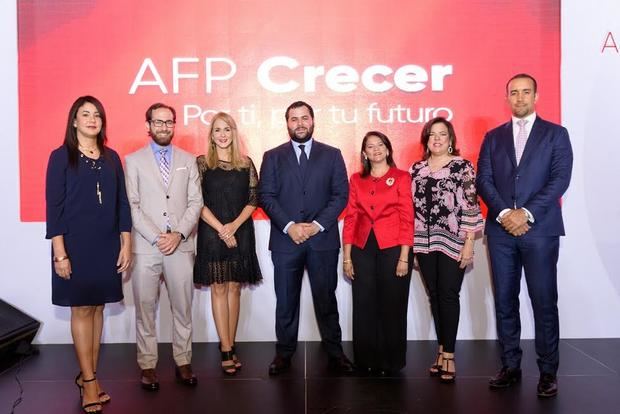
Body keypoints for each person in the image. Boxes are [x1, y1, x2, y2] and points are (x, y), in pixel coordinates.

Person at [477, 74, 573, 398]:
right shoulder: (493, 137)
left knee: (544, 302)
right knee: (505, 301)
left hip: (541, 230)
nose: (519, 98)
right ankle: (510, 366)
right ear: (507, 97)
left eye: (525, 92)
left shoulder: (556, 135)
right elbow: (484, 181)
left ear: (536, 95)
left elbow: (559, 179)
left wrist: (525, 213)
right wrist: (505, 214)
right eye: (513, 93)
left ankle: (548, 372)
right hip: (501, 232)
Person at [46, 96, 132, 413]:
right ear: (74, 121)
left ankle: (89, 377)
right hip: (74, 245)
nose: (92, 119)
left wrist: (126, 243)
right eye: (85, 114)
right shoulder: (60, 157)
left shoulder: (111, 158)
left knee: (97, 308)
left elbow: (122, 203)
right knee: (81, 310)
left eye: (97, 114)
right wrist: (60, 254)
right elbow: (54, 209)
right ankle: (90, 380)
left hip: (107, 243)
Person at [259, 101, 354, 375]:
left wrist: (316, 225)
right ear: (286, 123)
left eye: (304, 118)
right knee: (286, 301)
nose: (299, 123)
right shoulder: (272, 156)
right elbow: (266, 195)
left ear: (313, 121)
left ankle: (335, 352)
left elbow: (341, 195)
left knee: (326, 299)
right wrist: (290, 226)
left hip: (322, 241)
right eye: (293, 119)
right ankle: (284, 353)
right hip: (285, 241)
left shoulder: (332, 154)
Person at [125, 103, 203, 390]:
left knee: (183, 308)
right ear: (148, 125)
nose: (163, 127)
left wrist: (179, 234)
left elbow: (196, 201)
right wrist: (158, 236)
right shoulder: (132, 161)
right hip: (147, 247)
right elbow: (132, 205)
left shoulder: (188, 159)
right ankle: (147, 365)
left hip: (180, 246)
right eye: (158, 122)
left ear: (174, 125)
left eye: (169, 122)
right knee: (145, 309)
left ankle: (183, 360)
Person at [409, 117, 484, 383]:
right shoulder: (416, 170)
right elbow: (411, 210)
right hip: (423, 242)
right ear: (426, 140)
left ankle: (449, 354)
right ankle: (441, 349)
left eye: (442, 134)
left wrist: (468, 244)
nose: (437, 139)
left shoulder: (462, 167)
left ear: (451, 140)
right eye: (432, 135)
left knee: (449, 295)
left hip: (454, 241)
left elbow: (470, 206)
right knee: (435, 296)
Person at [194, 112, 262, 375]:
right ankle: (224, 348)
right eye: (217, 130)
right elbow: (196, 201)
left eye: (227, 130)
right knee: (219, 288)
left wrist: (233, 226)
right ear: (211, 135)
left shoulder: (246, 164)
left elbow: (254, 199)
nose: (222, 134)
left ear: (234, 133)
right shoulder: (201, 164)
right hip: (212, 234)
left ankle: (231, 344)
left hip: (241, 232)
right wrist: (222, 228)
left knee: (235, 288)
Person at [342, 131, 414, 375]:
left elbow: (407, 217)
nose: (375, 150)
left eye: (380, 145)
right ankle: (365, 360)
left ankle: (391, 361)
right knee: (364, 305)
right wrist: (347, 257)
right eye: (370, 147)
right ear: (364, 153)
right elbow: (351, 219)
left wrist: (405, 256)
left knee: (392, 305)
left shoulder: (402, 177)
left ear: (388, 148)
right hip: (362, 248)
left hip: (393, 248)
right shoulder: (356, 179)